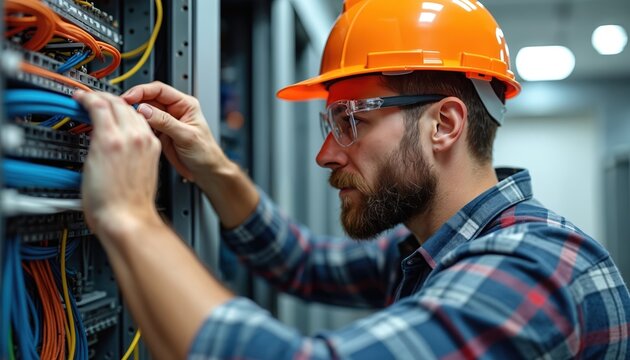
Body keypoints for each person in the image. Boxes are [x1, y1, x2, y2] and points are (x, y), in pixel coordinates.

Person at [74, 0, 630, 358]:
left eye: (350, 121)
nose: (323, 155)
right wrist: (213, 165)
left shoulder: (535, 270)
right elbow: (302, 263)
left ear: (444, 124)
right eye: (328, 122)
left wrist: (129, 215)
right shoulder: (431, 247)